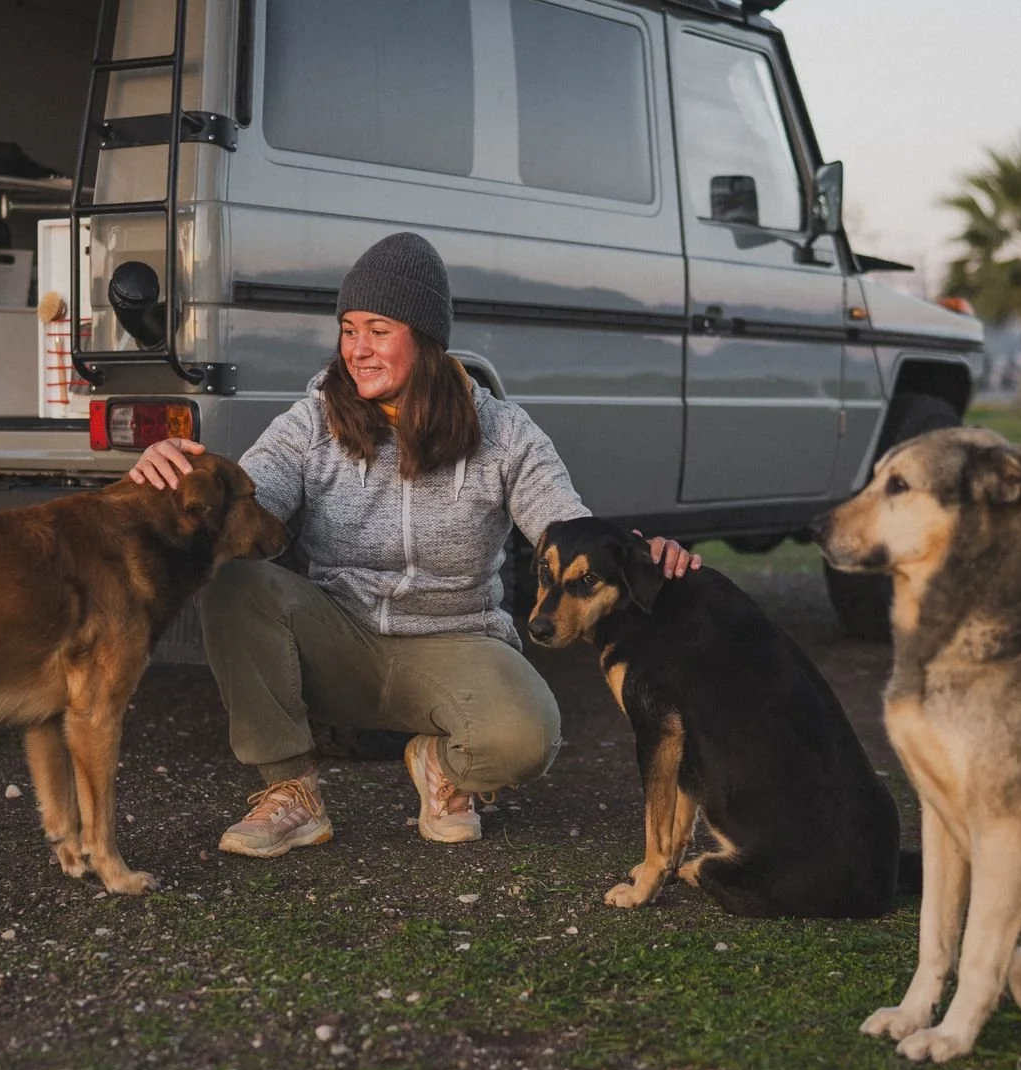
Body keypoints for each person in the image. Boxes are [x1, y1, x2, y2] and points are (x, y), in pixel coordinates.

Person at [130, 232, 697, 857]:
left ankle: (440, 767)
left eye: (378, 330)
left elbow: (565, 529)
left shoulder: (503, 433)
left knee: (527, 738)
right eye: (348, 330)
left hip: (454, 643)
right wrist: (179, 480)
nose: (357, 350)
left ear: (426, 339)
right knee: (236, 583)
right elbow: (245, 503)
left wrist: (645, 555)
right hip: (338, 637)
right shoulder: (314, 419)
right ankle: (291, 793)